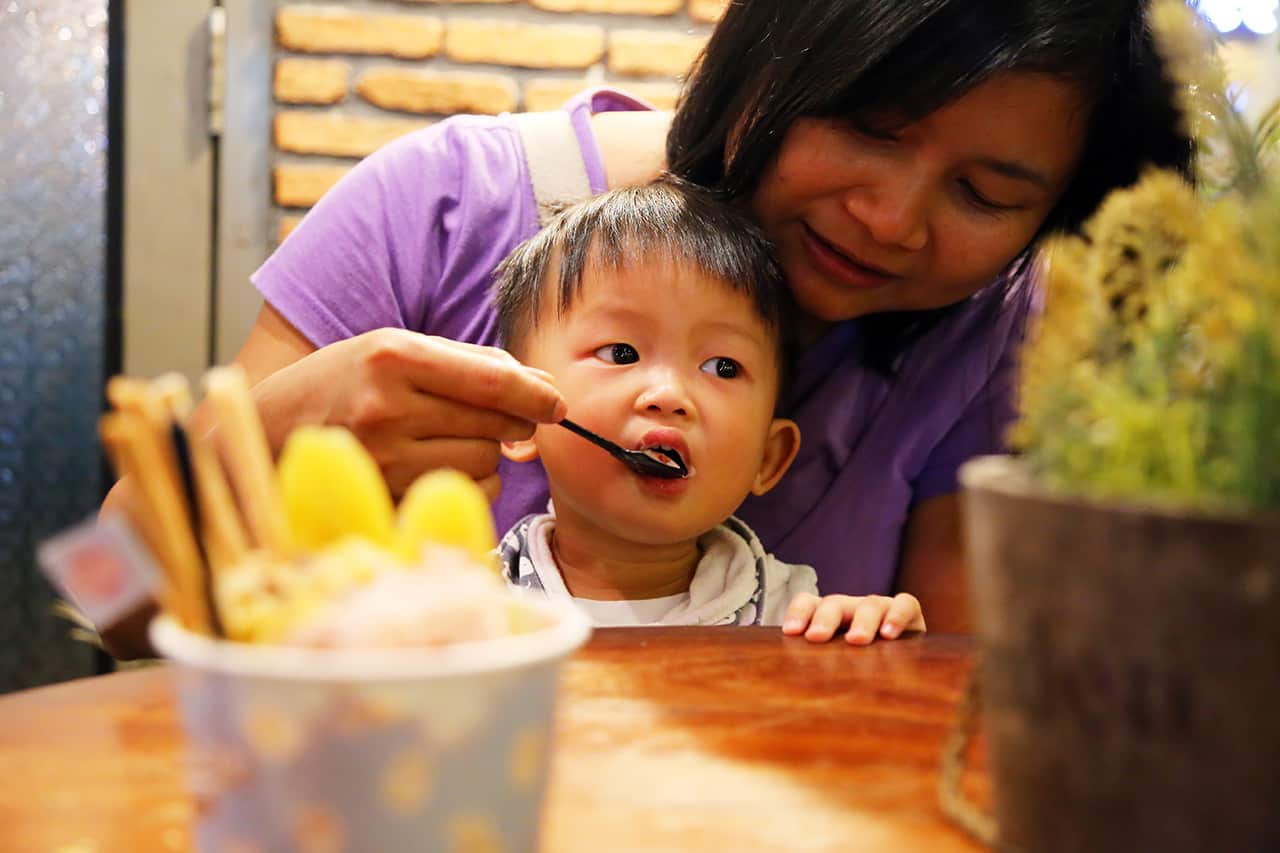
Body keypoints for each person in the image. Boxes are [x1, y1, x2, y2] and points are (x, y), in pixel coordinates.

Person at [103, 0, 1190, 633]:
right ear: (768, 57)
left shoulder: (983, 328)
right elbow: (99, 599)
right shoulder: (439, 205)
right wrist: (267, 443)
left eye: (985, 195)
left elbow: (951, 702)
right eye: (867, 127)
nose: (892, 220)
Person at [491, 178, 925, 641]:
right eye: (621, 353)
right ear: (520, 416)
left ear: (768, 457)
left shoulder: (795, 615)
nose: (669, 394)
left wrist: (877, 643)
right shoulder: (472, 603)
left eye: (722, 367)